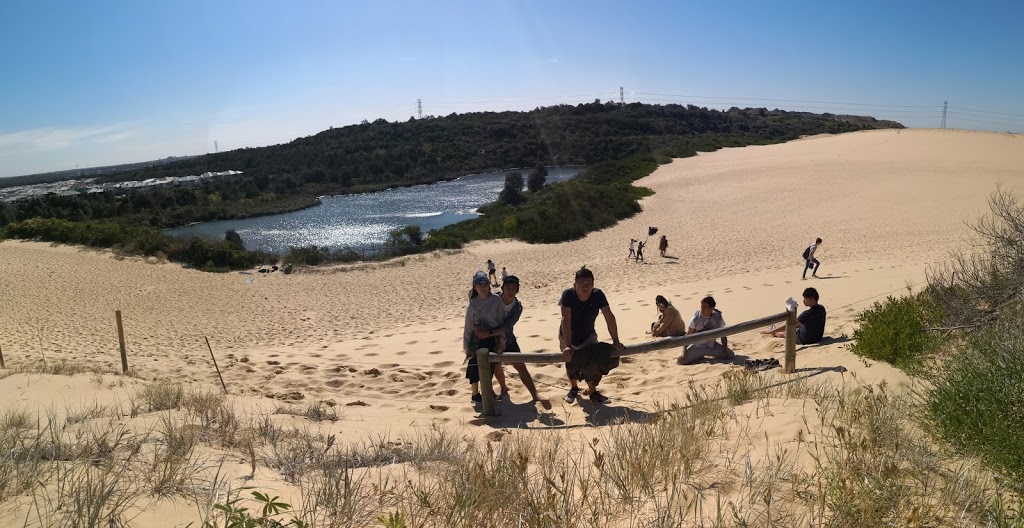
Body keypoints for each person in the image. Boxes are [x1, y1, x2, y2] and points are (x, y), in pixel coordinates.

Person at [559, 267, 624, 404]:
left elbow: (609, 317)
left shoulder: (598, 295)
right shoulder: (568, 295)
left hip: (588, 334)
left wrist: (616, 341)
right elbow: (566, 319)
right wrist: (568, 345)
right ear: (575, 284)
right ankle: (574, 388)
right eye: (582, 284)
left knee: (593, 362)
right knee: (571, 362)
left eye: (589, 284)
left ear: (593, 284)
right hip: (567, 334)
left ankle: (593, 392)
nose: (585, 287)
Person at [485, 275, 547, 405]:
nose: (511, 290)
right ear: (502, 288)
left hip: (508, 339)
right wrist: (492, 335)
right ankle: (503, 387)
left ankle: (535, 395)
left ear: (517, 290)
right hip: (490, 339)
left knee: (520, 366)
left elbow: (508, 326)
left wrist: (500, 337)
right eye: (508, 287)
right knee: (496, 365)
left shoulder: (517, 306)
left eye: (514, 288)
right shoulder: (493, 299)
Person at [463, 271, 507, 404]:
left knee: (490, 367)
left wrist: (502, 339)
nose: (482, 286)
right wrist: (466, 345)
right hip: (476, 340)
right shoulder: (473, 303)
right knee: (474, 366)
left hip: (492, 337)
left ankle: (488, 391)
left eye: (485, 283)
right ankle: (475, 394)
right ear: (475, 287)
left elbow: (501, 320)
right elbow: (468, 325)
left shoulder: (496, 300)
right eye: (479, 284)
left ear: (489, 285)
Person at [677, 296, 733, 365]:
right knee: (680, 361)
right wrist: (684, 352)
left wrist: (724, 349)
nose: (702, 309)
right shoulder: (696, 317)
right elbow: (688, 335)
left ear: (711, 308)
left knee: (730, 355)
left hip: (711, 346)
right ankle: (698, 356)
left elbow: (723, 336)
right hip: (697, 346)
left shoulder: (717, 317)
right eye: (701, 306)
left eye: (705, 307)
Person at [761, 287, 827, 345]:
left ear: (812, 300)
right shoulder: (822, 308)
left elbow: (791, 324)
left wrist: (771, 331)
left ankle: (773, 331)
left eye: (805, 299)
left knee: (786, 333)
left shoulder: (807, 314)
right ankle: (774, 329)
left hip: (805, 339)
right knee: (798, 325)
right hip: (818, 337)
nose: (803, 301)